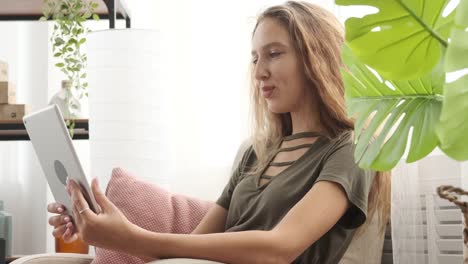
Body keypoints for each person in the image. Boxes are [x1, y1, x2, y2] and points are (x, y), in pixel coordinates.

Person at [47, 1, 390, 263]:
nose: (259, 73)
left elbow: (281, 248)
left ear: (318, 58)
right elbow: (197, 244)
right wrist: (104, 230)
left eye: (274, 54)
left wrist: (133, 238)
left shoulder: (353, 147)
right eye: (255, 58)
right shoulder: (255, 153)